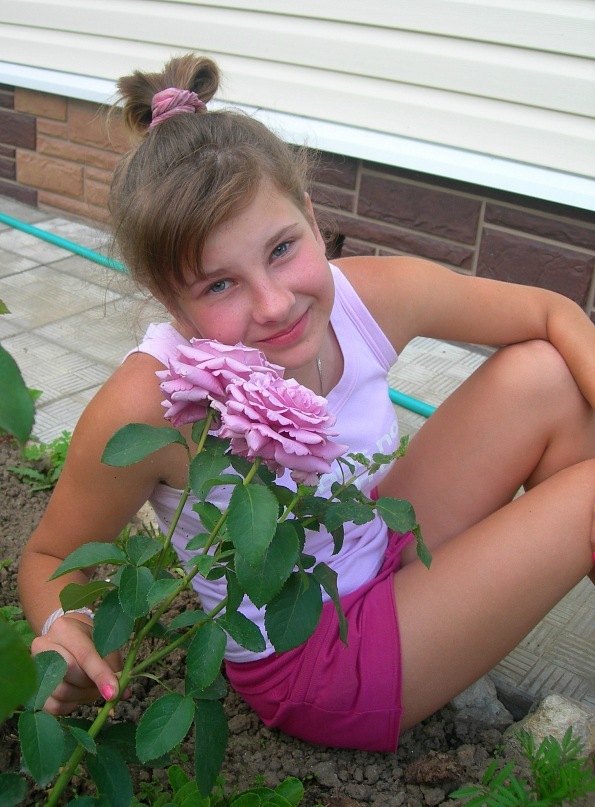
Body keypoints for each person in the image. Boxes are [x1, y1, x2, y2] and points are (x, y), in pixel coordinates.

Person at [18, 53, 595, 753]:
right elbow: (50, 554)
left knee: (546, 373)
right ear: (170, 301)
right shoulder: (153, 401)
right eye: (218, 285)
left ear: (313, 220)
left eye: (282, 248)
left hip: (380, 542)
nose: (274, 303)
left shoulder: (367, 297)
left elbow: (552, 313)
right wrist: (68, 628)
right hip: (314, 660)